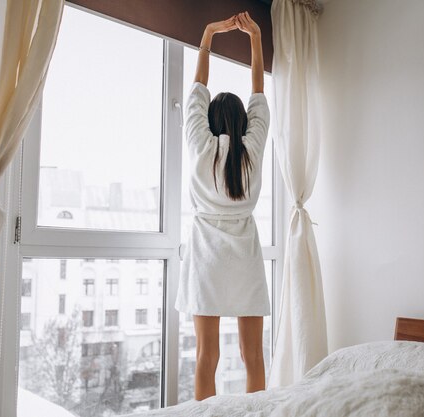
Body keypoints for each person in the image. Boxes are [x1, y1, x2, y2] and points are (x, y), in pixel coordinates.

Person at [174, 12, 270, 401]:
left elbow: (197, 89)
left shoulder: (200, 144)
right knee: (253, 357)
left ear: (211, 121)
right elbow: (259, 93)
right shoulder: (254, 149)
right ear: (244, 123)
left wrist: (209, 33)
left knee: (205, 357)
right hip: (245, 259)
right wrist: (256, 38)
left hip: (206, 260)